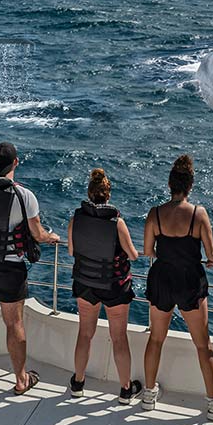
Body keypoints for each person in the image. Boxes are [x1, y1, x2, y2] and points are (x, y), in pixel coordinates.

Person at [0, 142, 59, 394]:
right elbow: (37, 234)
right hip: (8, 267)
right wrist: (51, 237)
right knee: (14, 323)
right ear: (15, 163)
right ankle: (20, 379)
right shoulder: (23, 196)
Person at [141, 155, 213, 420]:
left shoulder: (155, 213)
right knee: (203, 345)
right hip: (190, 280)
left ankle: (149, 395)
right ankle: (212, 403)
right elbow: (211, 254)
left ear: (169, 184)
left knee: (155, 339)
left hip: (162, 277)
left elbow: (147, 250)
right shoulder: (198, 214)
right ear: (190, 185)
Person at [67, 168, 142, 403]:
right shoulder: (117, 224)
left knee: (85, 334)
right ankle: (125, 390)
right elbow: (132, 255)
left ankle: (78, 383)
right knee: (118, 337)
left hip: (86, 283)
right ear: (107, 196)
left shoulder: (75, 219)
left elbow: (71, 251)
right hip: (113, 286)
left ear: (89, 195)